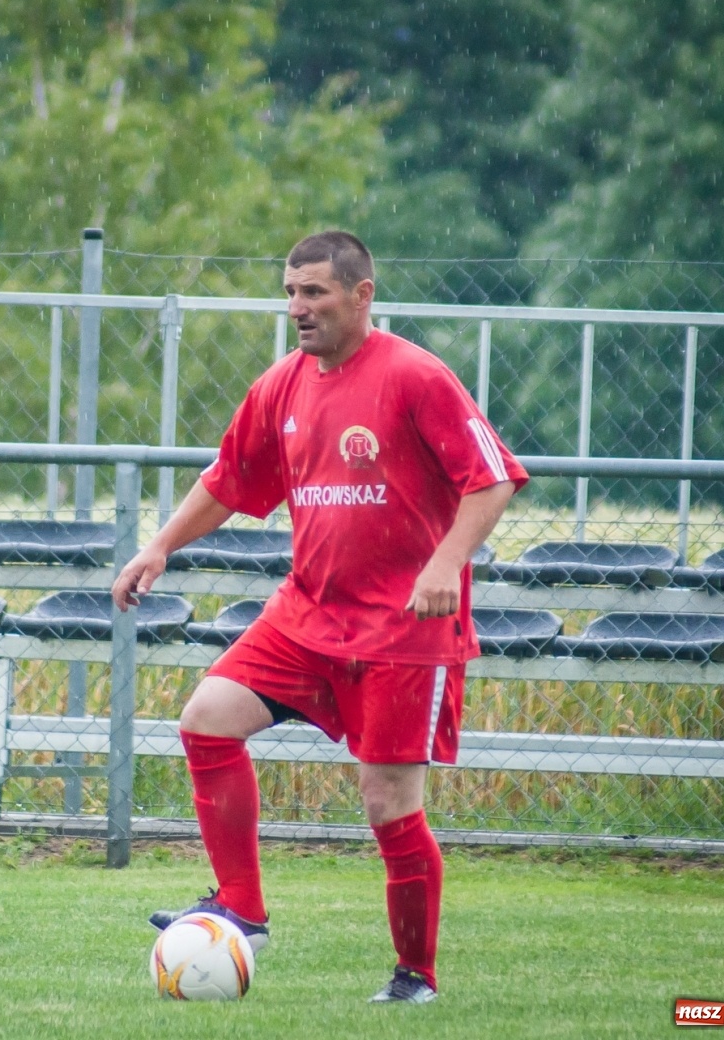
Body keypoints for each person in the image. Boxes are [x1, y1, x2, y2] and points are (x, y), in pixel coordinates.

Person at [112, 230, 527, 1005]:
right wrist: (159, 546)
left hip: (404, 630)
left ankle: (416, 978)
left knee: (387, 805)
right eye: (290, 294)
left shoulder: (415, 375)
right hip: (308, 617)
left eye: (314, 294)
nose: (298, 309)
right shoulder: (282, 385)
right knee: (208, 718)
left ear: (362, 295)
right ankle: (242, 908)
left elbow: (494, 478)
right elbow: (231, 481)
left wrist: (445, 563)